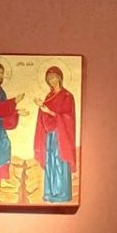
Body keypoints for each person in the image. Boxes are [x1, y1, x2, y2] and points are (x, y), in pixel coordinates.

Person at [35, 66, 77, 203]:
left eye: (53, 77)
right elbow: (45, 116)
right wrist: (42, 109)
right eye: (49, 79)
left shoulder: (67, 96)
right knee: (50, 162)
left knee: (60, 161)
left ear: (59, 77)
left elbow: (68, 117)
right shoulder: (48, 97)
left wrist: (49, 111)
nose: (52, 81)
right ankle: (50, 193)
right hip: (50, 135)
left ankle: (62, 193)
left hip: (62, 135)